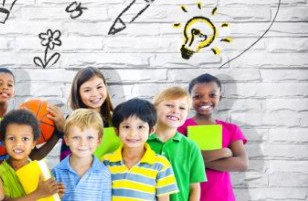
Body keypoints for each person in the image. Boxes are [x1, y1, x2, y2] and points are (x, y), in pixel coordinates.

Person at [178, 73, 248, 201]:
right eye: (198, 96)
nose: (205, 100)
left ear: (220, 97)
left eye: (212, 95)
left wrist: (197, 162)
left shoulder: (231, 129)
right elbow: (180, 162)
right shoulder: (180, 128)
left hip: (223, 197)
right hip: (190, 196)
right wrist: (223, 152)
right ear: (190, 99)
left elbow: (242, 164)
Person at [102, 99, 178, 201]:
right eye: (126, 127)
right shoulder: (106, 162)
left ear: (151, 130)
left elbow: (164, 199)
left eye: (140, 127)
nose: (133, 133)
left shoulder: (161, 164)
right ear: (117, 131)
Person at [0, 109, 65, 200]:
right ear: (3, 142)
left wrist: (56, 194)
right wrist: (38, 194)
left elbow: (49, 197)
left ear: (33, 143)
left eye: (25, 139)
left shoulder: (40, 168)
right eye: (12, 138)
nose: (18, 144)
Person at [52, 109, 111, 201]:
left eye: (89, 137)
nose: (83, 143)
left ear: (98, 140)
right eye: (76, 137)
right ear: (67, 140)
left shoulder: (104, 173)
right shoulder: (56, 172)